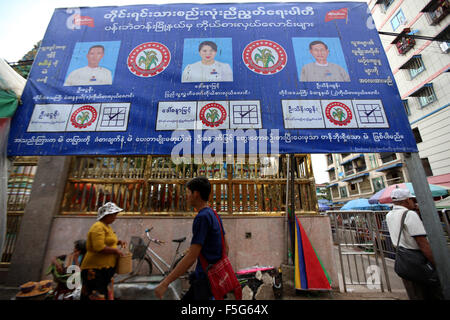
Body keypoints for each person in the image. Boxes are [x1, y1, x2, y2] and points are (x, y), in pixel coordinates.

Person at [154, 176, 228, 300]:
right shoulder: (214, 214)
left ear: (196, 194)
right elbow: (226, 248)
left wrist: (165, 283)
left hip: (204, 280)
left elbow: (191, 258)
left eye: (188, 192)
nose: (186, 196)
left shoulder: (202, 217)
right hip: (214, 279)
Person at [385, 188, 443, 299]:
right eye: (413, 200)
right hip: (417, 261)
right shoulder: (409, 214)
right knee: (432, 293)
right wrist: (438, 265)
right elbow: (422, 243)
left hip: (403, 260)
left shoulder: (389, 215)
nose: (415, 202)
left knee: (414, 294)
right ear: (406, 201)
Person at [80, 202, 126, 300]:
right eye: (114, 215)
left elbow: (107, 240)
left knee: (103, 294)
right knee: (96, 295)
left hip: (104, 270)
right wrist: (116, 251)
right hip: (95, 270)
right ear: (107, 215)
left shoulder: (107, 227)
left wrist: (118, 242)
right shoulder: (98, 227)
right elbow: (99, 247)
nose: (115, 217)